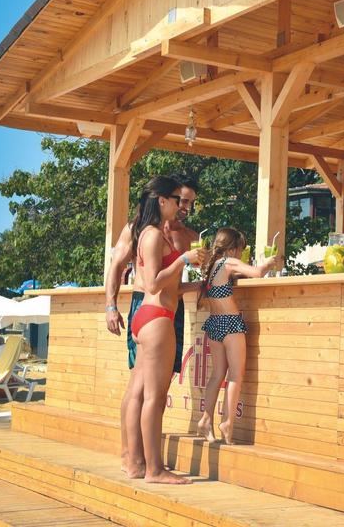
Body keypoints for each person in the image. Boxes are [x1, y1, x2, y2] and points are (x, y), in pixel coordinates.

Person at [105, 176, 206, 475]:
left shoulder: (178, 233)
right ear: (163, 200)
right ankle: (142, 462)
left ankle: (139, 463)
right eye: (180, 199)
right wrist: (110, 304)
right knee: (148, 393)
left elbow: (169, 283)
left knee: (146, 389)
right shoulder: (142, 230)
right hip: (149, 311)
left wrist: (195, 284)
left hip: (160, 311)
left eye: (188, 202)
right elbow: (133, 274)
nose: (184, 206)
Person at [197, 228, 276, 445]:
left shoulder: (212, 266)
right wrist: (269, 261)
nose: (241, 255)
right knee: (235, 376)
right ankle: (227, 422)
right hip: (231, 324)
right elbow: (258, 272)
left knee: (217, 375)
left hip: (214, 324)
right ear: (232, 248)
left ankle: (206, 419)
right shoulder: (229, 262)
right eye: (240, 250)